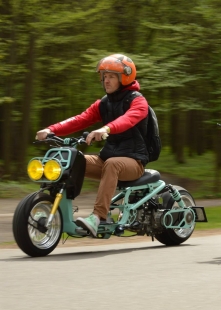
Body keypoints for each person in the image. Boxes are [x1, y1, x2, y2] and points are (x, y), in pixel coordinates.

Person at [36, 54, 149, 237]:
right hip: (107, 158)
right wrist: (51, 129)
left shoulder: (138, 101)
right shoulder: (104, 104)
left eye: (111, 76)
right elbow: (80, 119)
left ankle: (98, 217)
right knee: (72, 160)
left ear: (124, 77)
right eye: (104, 76)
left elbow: (127, 119)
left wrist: (106, 128)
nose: (106, 80)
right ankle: (52, 205)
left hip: (133, 161)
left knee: (113, 164)